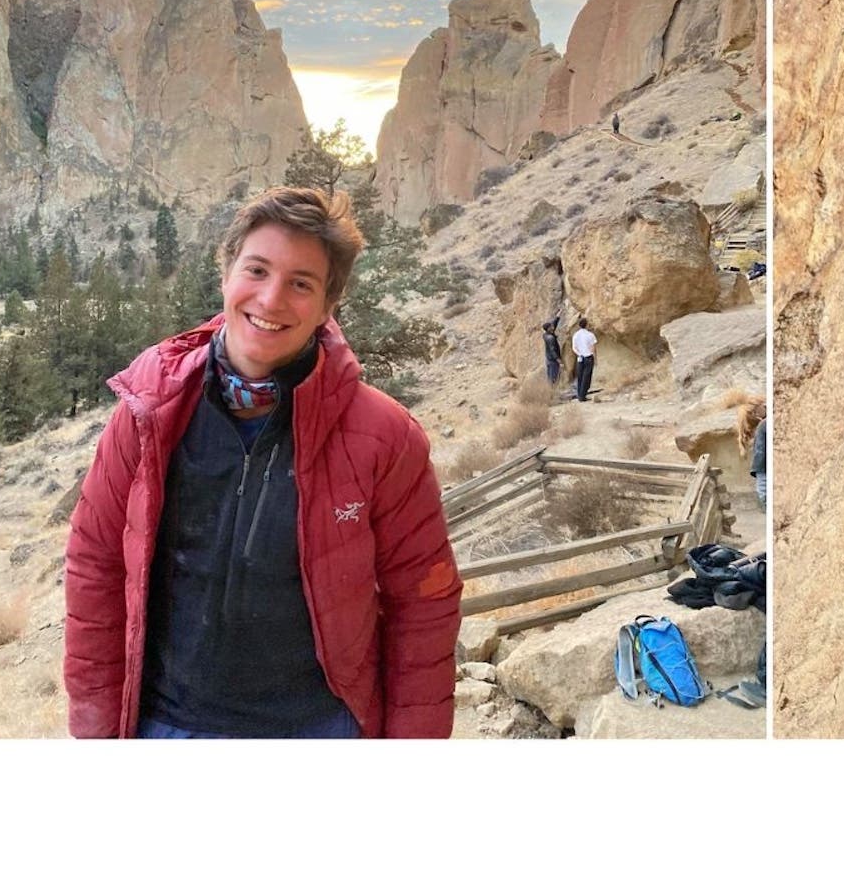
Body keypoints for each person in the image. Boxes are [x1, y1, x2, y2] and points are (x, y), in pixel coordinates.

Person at [62, 186, 462, 738]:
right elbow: (95, 562)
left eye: (301, 283)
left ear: (327, 305)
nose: (271, 300)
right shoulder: (150, 410)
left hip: (320, 729)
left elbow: (423, 601)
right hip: (167, 724)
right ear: (225, 274)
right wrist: (96, 729)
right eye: (256, 270)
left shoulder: (385, 437)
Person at [570, 318, 598, 402]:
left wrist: (579, 354)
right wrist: (595, 359)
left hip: (580, 357)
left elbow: (574, 348)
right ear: (587, 325)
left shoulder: (576, 335)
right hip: (588, 357)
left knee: (580, 376)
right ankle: (582, 396)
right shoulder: (590, 335)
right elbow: (593, 348)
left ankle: (579, 395)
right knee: (587, 377)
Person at [541, 316, 562, 386]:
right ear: (548, 329)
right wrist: (558, 360)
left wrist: (557, 318)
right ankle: (552, 391)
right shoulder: (550, 338)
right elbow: (552, 350)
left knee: (550, 378)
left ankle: (551, 390)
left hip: (548, 359)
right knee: (554, 378)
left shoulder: (545, 335)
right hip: (553, 361)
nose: (552, 327)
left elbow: (553, 325)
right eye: (551, 327)